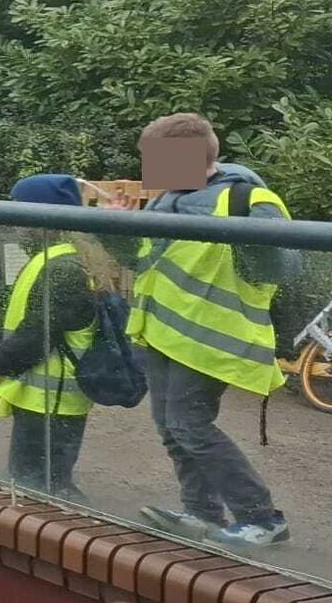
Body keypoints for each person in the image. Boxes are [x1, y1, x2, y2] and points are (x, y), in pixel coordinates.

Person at [107, 112, 299, 548]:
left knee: (190, 426)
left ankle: (262, 518)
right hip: (163, 333)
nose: (147, 170)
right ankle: (201, 513)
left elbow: (284, 265)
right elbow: (140, 261)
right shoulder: (164, 200)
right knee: (171, 428)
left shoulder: (247, 198)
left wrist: (249, 240)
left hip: (211, 338)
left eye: (153, 160)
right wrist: (115, 227)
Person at [0, 175, 101, 498]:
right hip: (42, 394)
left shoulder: (62, 266)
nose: (14, 222)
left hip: (52, 396)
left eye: (20, 210)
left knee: (40, 485)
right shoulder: (50, 259)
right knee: (36, 482)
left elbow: (39, 330)